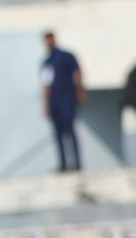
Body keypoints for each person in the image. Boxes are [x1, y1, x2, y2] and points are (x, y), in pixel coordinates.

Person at [41, 31, 86, 173]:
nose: (49, 42)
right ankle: (63, 164)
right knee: (58, 134)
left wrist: (80, 92)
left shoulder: (66, 56)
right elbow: (46, 84)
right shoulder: (47, 61)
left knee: (70, 131)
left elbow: (77, 72)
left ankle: (77, 163)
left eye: (50, 39)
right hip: (54, 102)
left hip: (67, 99)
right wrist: (46, 104)